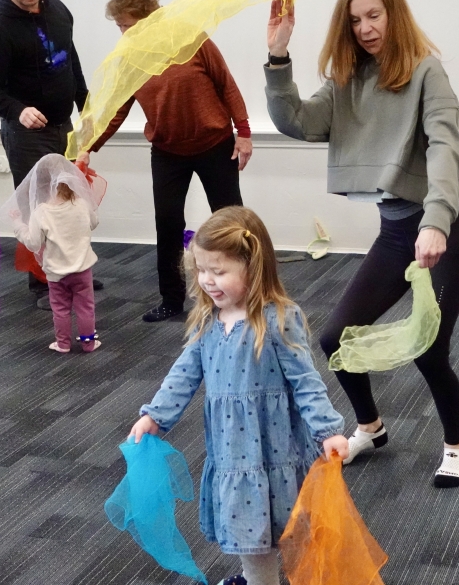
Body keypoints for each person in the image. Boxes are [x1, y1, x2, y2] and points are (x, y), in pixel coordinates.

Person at [264, 0, 459, 487]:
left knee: (429, 345)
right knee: (337, 338)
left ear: (393, 14)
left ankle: (457, 446)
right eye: (355, 19)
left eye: (374, 15)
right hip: (395, 232)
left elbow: (447, 150)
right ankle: (371, 427)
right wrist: (277, 56)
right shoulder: (345, 80)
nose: (365, 27)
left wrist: (436, 223)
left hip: (442, 228)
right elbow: (298, 121)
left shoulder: (427, 72)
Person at [129, 206, 349, 585]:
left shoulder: (278, 318)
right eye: (201, 270)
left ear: (253, 267)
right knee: (249, 537)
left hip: (278, 451)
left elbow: (306, 381)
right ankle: (257, 580)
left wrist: (328, 430)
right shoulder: (207, 319)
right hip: (232, 453)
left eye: (219, 271)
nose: (208, 281)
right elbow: (183, 374)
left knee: (293, 530)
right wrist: (156, 415)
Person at [76, 0, 251, 323]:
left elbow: (226, 83)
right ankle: (172, 300)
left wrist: (243, 132)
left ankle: (246, 294)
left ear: (147, 19)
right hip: (168, 151)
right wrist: (87, 148)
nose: (123, 33)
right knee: (167, 223)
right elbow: (115, 109)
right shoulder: (130, 57)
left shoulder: (191, 39)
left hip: (215, 145)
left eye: (126, 25)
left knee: (231, 223)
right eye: (119, 27)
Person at [0, 0, 101, 310]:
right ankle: (44, 284)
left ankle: (72, 269)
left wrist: (85, 109)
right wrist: (18, 110)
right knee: (39, 206)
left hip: (64, 125)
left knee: (70, 198)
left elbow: (71, 62)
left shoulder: (58, 9)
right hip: (26, 133)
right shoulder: (0, 28)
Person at [7, 155, 102, 353]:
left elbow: (33, 243)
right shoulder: (81, 203)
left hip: (56, 273)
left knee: (61, 309)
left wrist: (18, 224)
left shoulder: (41, 212)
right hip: (83, 269)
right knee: (85, 308)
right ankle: (88, 343)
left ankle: (63, 343)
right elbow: (93, 223)